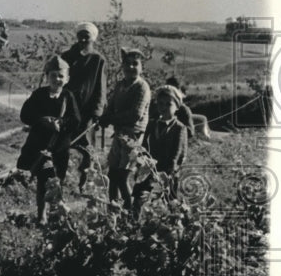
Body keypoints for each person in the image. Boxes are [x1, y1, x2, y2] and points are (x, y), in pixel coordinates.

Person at [17, 55, 80, 225]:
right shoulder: (39, 95)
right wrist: (42, 120)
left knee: (58, 179)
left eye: (61, 76)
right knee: (42, 181)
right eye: (53, 75)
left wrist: (61, 123)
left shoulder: (68, 96)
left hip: (60, 147)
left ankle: (56, 213)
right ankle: (41, 215)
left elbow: (75, 120)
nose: (57, 79)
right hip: (41, 146)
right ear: (47, 76)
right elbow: (25, 115)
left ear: (67, 79)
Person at [100, 48, 152, 212]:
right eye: (127, 64)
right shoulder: (121, 85)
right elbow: (112, 105)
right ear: (122, 66)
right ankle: (113, 212)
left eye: (135, 64)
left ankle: (131, 214)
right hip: (119, 134)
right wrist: (104, 116)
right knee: (111, 176)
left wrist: (111, 119)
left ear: (141, 66)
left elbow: (135, 115)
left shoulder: (142, 87)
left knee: (123, 177)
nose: (130, 67)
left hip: (133, 136)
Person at [60, 21, 107, 190]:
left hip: (86, 112)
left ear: (92, 39)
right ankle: (60, 179)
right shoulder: (66, 57)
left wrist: (97, 111)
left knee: (86, 148)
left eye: (86, 37)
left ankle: (85, 182)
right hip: (67, 110)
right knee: (63, 144)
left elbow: (100, 88)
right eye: (80, 36)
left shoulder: (97, 60)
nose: (82, 40)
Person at [132, 85, 189, 215]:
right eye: (160, 103)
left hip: (166, 174)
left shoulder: (179, 128)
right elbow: (144, 148)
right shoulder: (152, 124)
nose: (163, 107)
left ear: (176, 106)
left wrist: (167, 174)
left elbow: (177, 154)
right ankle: (135, 225)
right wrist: (140, 165)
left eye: (168, 104)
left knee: (167, 203)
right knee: (139, 199)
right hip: (149, 170)